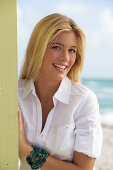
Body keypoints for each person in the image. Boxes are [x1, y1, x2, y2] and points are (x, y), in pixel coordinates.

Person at [18, 13, 103, 170]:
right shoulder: (13, 94)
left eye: (72, 50)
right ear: (38, 47)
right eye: (56, 47)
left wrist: (25, 148)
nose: (65, 58)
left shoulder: (84, 100)